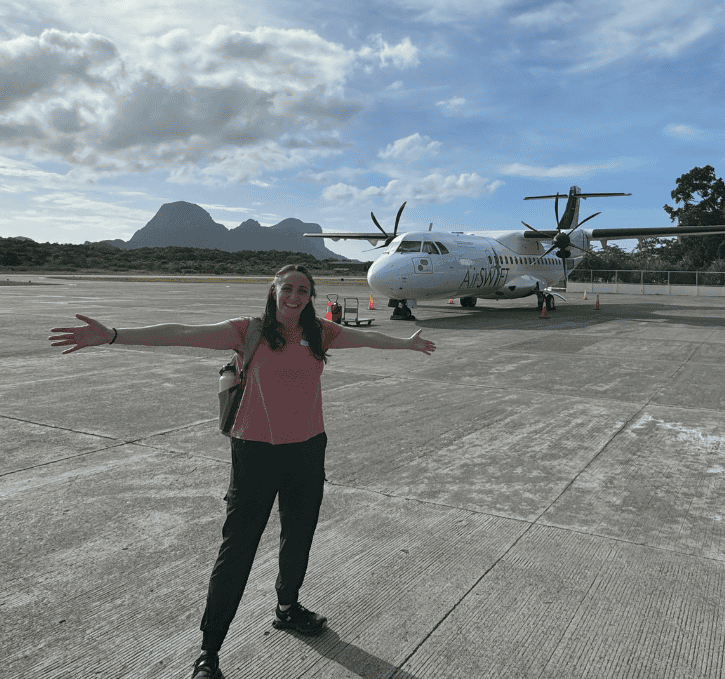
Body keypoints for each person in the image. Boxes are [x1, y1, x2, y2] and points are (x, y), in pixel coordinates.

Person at [48, 264, 436, 679]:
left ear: (310, 295)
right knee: (238, 550)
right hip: (255, 452)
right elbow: (182, 333)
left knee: (299, 533)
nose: (295, 296)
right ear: (274, 291)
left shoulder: (322, 332)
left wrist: (406, 345)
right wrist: (113, 335)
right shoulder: (247, 331)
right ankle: (209, 651)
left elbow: (369, 339)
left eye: (303, 290)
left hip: (307, 450)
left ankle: (288, 608)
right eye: (287, 288)